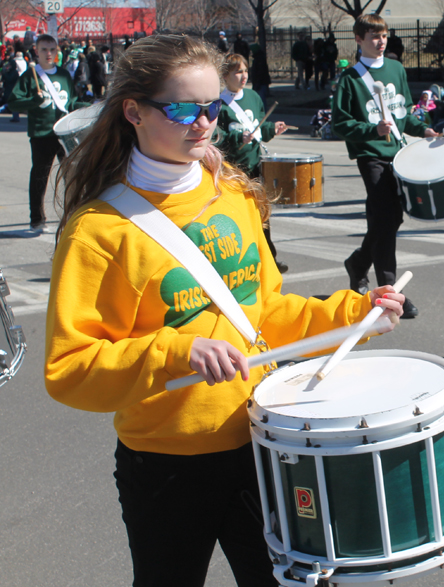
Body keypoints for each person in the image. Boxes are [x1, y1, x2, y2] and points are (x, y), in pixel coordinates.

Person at [44, 34, 405, 587]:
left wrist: (353, 313)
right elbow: (69, 371)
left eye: (212, 107)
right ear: (133, 111)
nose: (204, 123)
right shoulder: (97, 231)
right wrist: (176, 350)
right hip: (165, 463)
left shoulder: (232, 194)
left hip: (263, 440)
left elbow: (266, 310)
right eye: (184, 108)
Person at [332, 14, 438, 319]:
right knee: (385, 219)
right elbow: (340, 123)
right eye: (374, 37)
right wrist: (371, 131)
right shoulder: (350, 78)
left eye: (384, 36)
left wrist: (424, 129)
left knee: (389, 219)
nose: (381, 42)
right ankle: (390, 290)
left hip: (398, 154)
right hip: (371, 155)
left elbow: (403, 114)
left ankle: (358, 263)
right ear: (359, 40)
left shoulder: (396, 69)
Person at [216, 52, 289, 273]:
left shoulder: (254, 97)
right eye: (238, 71)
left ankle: (269, 258)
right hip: (233, 168)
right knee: (240, 214)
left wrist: (272, 129)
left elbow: (261, 131)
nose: (243, 76)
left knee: (262, 214)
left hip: (256, 165)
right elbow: (217, 138)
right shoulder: (219, 104)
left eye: (245, 71)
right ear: (225, 75)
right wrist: (238, 138)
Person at [8, 34, 84, 231]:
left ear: (57, 51)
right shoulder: (29, 76)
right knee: (40, 177)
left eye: (52, 49)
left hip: (65, 133)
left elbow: (72, 101)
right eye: (44, 49)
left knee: (72, 175)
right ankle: (37, 219)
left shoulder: (64, 75)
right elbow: (13, 102)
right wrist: (34, 101)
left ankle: (74, 214)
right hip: (41, 133)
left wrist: (89, 106)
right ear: (36, 51)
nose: (48, 54)